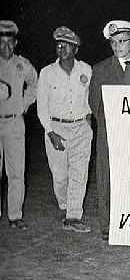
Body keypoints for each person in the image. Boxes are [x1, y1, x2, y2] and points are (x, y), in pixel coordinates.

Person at [37, 26, 92, 233]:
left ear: (76, 49)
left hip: (80, 127)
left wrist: (87, 122)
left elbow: (90, 99)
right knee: (60, 175)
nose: (62, 48)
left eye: (67, 45)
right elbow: (42, 106)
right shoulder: (47, 73)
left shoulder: (86, 70)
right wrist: (50, 132)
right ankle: (65, 205)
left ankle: (73, 216)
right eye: (59, 45)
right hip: (56, 127)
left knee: (80, 172)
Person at [89, 20, 130, 241]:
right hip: (109, 131)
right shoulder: (100, 69)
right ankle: (107, 224)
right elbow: (94, 104)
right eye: (114, 43)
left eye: (123, 42)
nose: (118, 47)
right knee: (106, 176)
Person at [0, 20, 38, 230]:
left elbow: (35, 84)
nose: (6, 48)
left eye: (9, 43)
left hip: (15, 122)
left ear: (15, 43)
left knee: (16, 172)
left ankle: (15, 215)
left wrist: (24, 103)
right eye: (1, 43)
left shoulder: (22, 64)